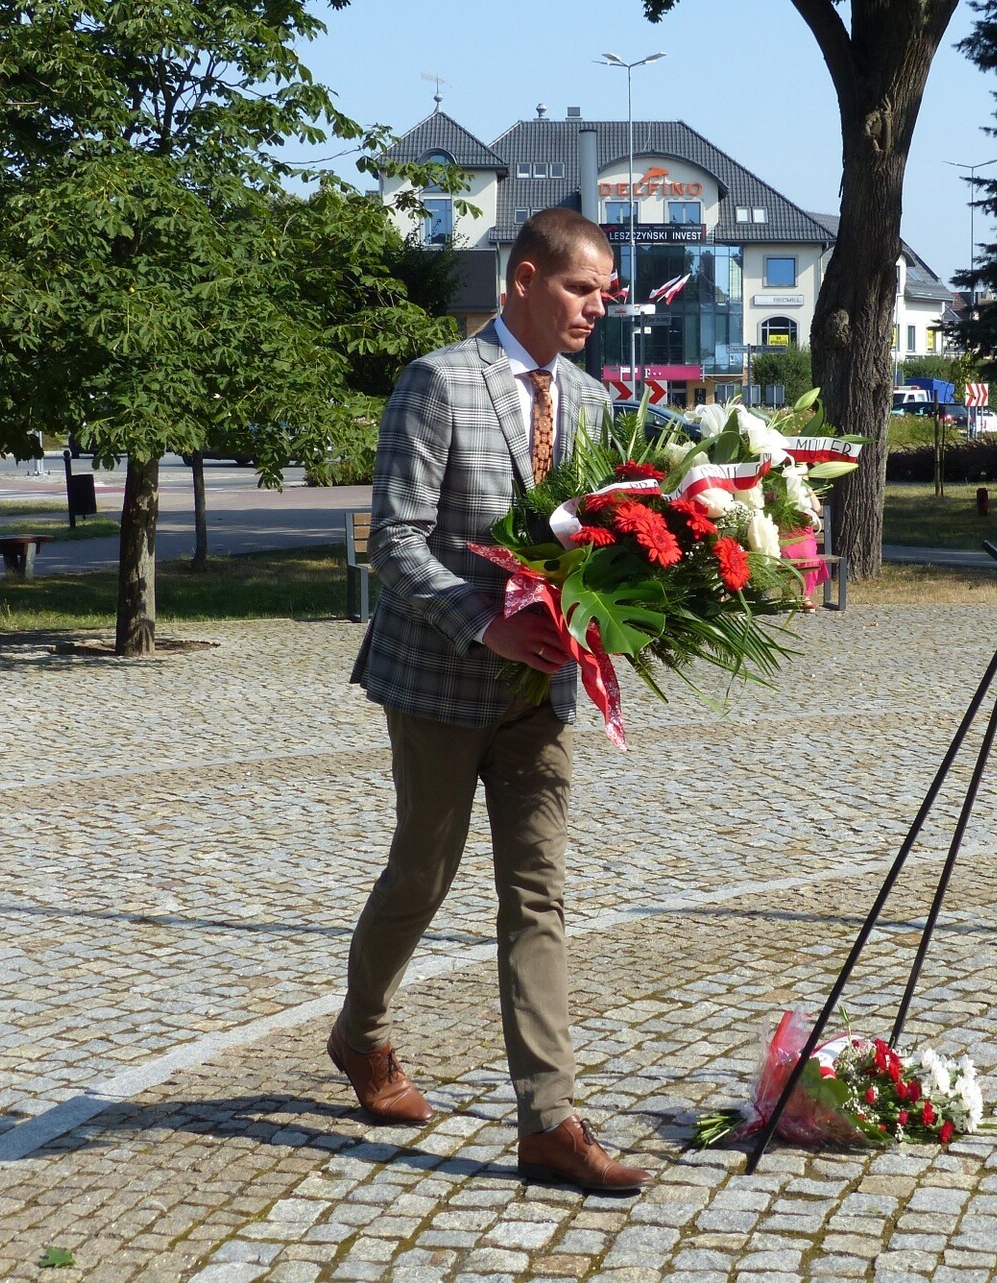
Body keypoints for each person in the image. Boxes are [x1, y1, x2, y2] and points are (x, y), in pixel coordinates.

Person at [334, 207, 652, 1193]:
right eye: (580, 288)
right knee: (421, 873)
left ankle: (550, 1120)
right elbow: (395, 540)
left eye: (604, 292)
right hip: (437, 678)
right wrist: (485, 622)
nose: (597, 306)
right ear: (522, 280)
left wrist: (623, 607)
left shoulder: (592, 401)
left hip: (540, 689)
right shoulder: (439, 381)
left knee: (537, 894)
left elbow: (597, 540)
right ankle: (361, 1032)